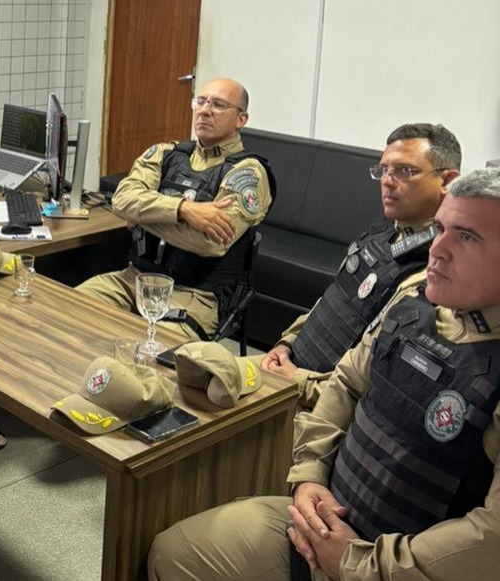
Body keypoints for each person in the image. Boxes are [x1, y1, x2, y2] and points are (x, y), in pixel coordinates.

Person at [147, 168, 500, 581]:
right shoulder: (412, 302)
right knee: (169, 554)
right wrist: (309, 477)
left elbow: (491, 538)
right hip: (320, 522)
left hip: (386, 569)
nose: (437, 250)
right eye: (440, 229)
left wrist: (356, 563)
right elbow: (346, 384)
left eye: (467, 237)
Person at [261, 123, 461, 408]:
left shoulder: (438, 273)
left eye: (405, 171)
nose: (387, 181)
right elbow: (332, 302)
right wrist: (287, 344)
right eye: (384, 170)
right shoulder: (382, 232)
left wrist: (299, 382)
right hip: (290, 367)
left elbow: (379, 385)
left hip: (317, 403)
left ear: (447, 181)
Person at [77, 77, 274, 343]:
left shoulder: (247, 173)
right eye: (200, 102)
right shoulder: (165, 153)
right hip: (134, 280)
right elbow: (122, 200)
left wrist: (143, 217)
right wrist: (183, 210)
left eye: (218, 105)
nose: (204, 111)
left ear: (241, 119)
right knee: (64, 310)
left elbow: (208, 242)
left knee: (150, 351)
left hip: (192, 296)